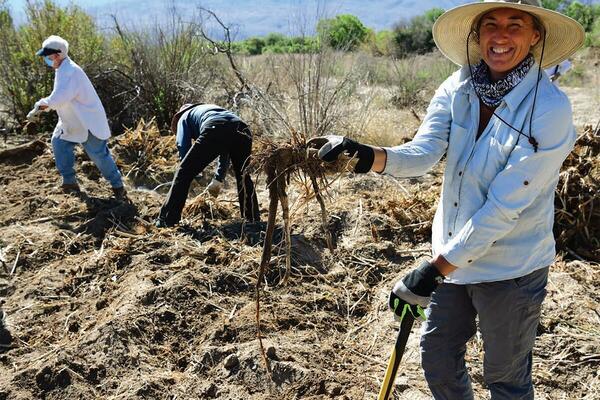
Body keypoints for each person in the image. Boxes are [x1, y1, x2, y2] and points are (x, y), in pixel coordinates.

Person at [309, 1, 584, 399]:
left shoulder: (549, 108)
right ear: (476, 35)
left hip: (510, 267)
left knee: (505, 379)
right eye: (490, 24)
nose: (501, 35)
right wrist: (364, 155)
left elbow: (504, 207)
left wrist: (434, 271)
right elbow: (424, 151)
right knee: (437, 358)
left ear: (535, 36)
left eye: (515, 25)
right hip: (452, 259)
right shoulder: (460, 86)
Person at [28, 35, 126, 199]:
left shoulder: (70, 71)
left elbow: (59, 97)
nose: (46, 59)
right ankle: (69, 182)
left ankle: (118, 186)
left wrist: (39, 106)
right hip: (71, 121)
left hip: (87, 122)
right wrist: (42, 106)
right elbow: (59, 98)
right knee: (59, 143)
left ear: (57, 55)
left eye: (48, 56)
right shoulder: (62, 69)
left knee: (98, 155)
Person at [155, 104, 260, 227]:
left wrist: (189, 172)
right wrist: (218, 179)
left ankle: (166, 220)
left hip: (216, 126)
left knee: (183, 172)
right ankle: (252, 218)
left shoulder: (183, 117)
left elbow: (182, 145)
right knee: (243, 175)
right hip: (242, 128)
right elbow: (224, 148)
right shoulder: (210, 110)